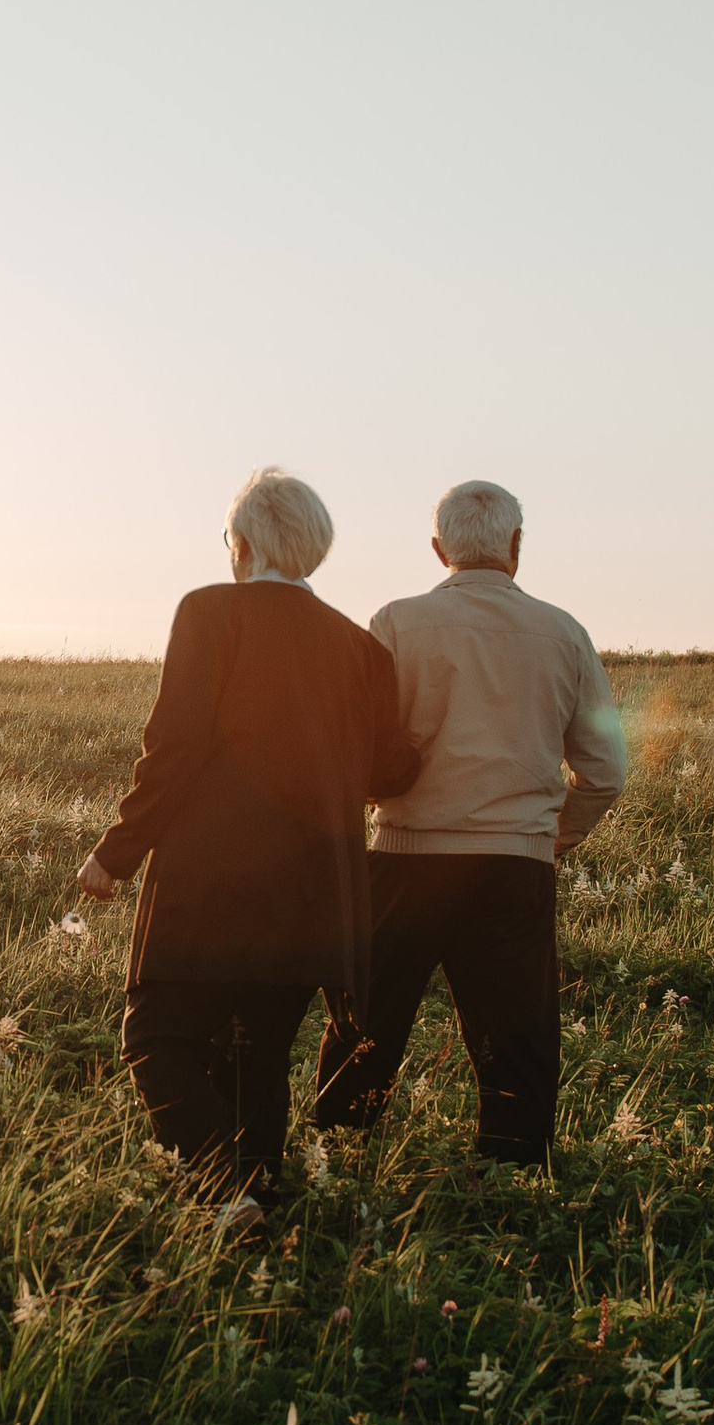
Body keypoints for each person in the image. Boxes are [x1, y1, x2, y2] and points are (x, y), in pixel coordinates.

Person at [77, 468, 420, 1224]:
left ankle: (222, 1195)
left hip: (212, 877)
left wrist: (118, 849)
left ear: (240, 543)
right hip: (318, 890)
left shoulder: (210, 612)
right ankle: (259, 1203)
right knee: (254, 1054)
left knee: (155, 1033)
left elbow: (175, 745)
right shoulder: (363, 651)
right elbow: (394, 768)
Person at [314, 478, 625, 1168]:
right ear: (516, 547)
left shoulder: (394, 623)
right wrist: (546, 840)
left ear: (437, 550)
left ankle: (334, 1164)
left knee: (366, 1030)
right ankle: (512, 1185)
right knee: (518, 1040)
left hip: (403, 859)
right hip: (513, 865)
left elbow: (358, 750)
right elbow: (606, 773)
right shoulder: (565, 633)